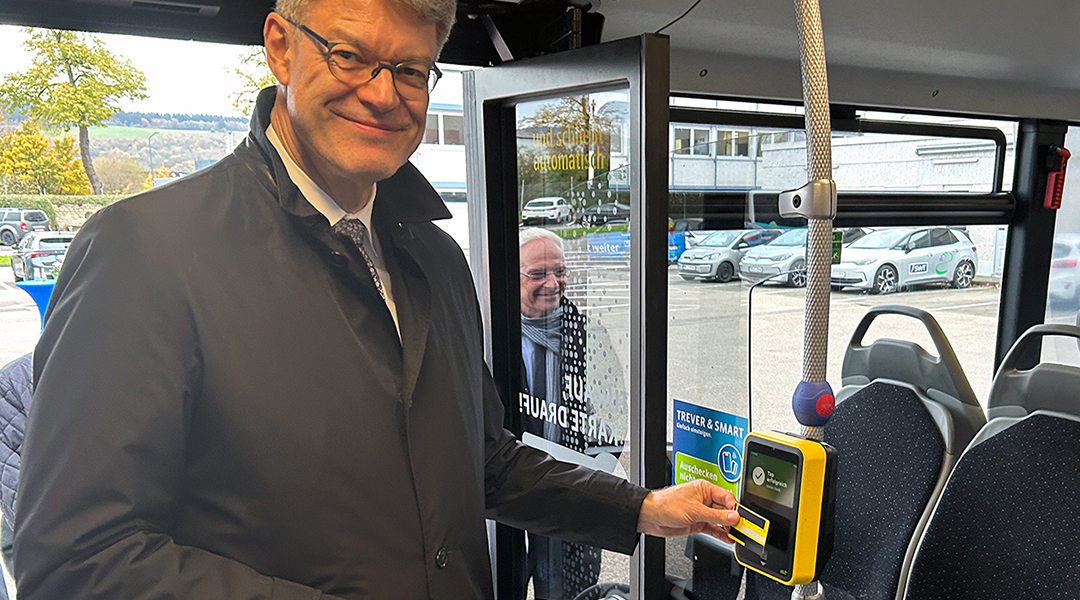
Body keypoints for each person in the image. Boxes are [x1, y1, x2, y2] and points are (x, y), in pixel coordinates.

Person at [13, 0, 740, 598]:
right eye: (350, 56)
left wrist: (640, 508)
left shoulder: (436, 259)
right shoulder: (144, 251)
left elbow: (481, 463)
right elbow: (75, 558)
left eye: (410, 70)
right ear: (279, 46)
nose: (384, 93)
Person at [517, 228, 627, 599]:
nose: (553, 283)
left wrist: (588, 484)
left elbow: (613, 420)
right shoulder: (490, 334)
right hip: (507, 498)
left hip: (568, 500)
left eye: (560, 272)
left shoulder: (588, 335)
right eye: (538, 274)